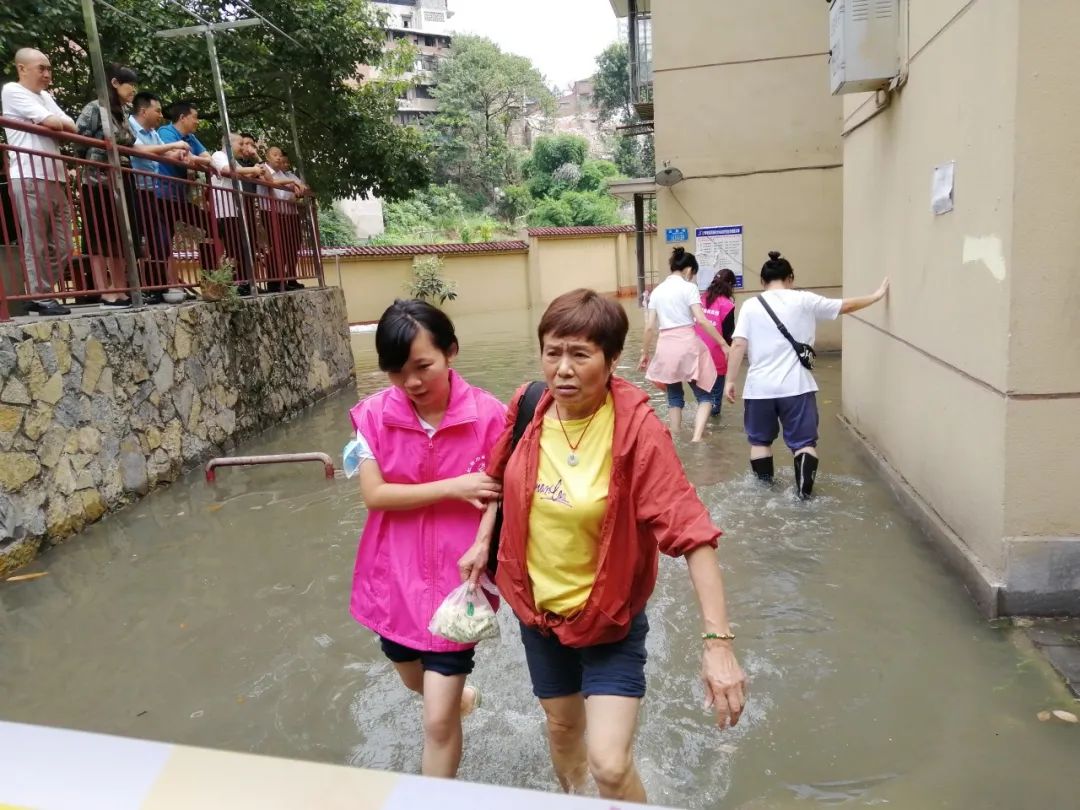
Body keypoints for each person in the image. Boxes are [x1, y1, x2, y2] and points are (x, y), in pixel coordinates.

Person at [459, 289, 747, 803]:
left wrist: (718, 645)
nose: (563, 369)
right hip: (539, 616)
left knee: (610, 765)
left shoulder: (637, 430)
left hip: (609, 619)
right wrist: (483, 541)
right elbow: (497, 482)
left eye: (580, 354)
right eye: (553, 352)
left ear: (612, 360)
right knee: (564, 734)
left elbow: (692, 532)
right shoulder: (528, 409)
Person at [347, 300, 506, 779]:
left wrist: (483, 543)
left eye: (422, 367)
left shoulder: (491, 417)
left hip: (458, 586)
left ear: (451, 351)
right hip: (393, 581)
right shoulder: (370, 417)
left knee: (436, 721)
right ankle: (464, 697)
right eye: (397, 371)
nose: (412, 382)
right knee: (414, 679)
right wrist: (455, 487)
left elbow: (504, 494)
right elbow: (375, 495)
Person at [724, 251, 890, 498]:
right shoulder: (804, 300)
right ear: (790, 278)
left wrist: (729, 381)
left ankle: (764, 496)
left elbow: (738, 345)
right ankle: (803, 494)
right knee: (804, 444)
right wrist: (876, 297)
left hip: (759, 389)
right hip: (798, 387)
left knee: (760, 442)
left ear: (762, 281)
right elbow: (846, 305)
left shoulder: (750, 306)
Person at [2, 48, 76, 316]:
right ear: (22, 69)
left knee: (65, 245)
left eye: (49, 68)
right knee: (37, 243)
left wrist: (57, 124)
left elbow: (70, 125)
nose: (47, 74)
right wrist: (55, 124)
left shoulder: (45, 96)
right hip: (29, 174)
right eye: (41, 68)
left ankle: (37, 291)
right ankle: (40, 294)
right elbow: (53, 122)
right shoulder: (12, 90)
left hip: (54, 176)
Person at [639, 247, 728, 443]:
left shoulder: (657, 291)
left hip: (665, 348)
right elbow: (702, 320)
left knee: (674, 397)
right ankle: (697, 438)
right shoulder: (689, 288)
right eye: (693, 274)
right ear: (689, 270)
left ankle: (676, 435)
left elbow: (649, 328)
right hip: (687, 346)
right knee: (705, 395)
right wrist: (723, 343)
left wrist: (644, 353)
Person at [75, 64, 142, 307]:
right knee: (98, 234)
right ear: (114, 83)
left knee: (118, 234)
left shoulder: (121, 113)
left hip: (122, 177)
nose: (133, 90)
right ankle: (104, 290)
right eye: (129, 84)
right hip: (96, 179)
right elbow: (78, 139)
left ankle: (120, 287)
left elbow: (130, 143)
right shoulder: (95, 109)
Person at [128, 91, 190, 301]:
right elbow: (140, 151)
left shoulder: (153, 132)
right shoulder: (130, 127)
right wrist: (173, 145)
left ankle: (156, 287)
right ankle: (148, 287)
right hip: (134, 188)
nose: (160, 114)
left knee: (160, 240)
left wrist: (178, 154)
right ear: (144, 111)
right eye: (157, 110)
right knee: (142, 240)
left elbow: (163, 154)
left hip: (150, 190)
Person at [156, 101, 215, 279]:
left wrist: (192, 158)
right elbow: (178, 157)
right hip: (161, 194)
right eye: (195, 117)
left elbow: (208, 159)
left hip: (179, 196)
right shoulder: (165, 132)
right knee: (163, 239)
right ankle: (164, 282)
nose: (197, 121)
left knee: (211, 224)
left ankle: (211, 277)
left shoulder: (191, 138)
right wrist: (191, 158)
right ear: (182, 117)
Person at [210, 133, 270, 287]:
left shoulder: (236, 162)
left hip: (237, 212)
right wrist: (253, 169)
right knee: (234, 248)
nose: (243, 147)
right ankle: (237, 283)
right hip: (226, 212)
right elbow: (226, 169)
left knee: (243, 248)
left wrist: (256, 167)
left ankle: (244, 283)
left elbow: (258, 174)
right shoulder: (219, 155)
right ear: (230, 144)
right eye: (241, 144)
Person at [261, 146, 307, 291]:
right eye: (275, 154)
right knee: (277, 246)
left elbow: (303, 186)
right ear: (267, 156)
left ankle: (290, 278)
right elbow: (270, 181)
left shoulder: (286, 174)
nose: (278, 157)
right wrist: (292, 184)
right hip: (270, 211)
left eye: (280, 155)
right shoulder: (263, 168)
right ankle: (275, 281)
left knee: (292, 246)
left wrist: (297, 187)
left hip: (289, 213)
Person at [696, 268, 738, 417]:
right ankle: (713, 430)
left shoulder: (700, 299)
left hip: (697, 353)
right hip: (716, 356)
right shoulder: (727, 305)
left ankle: (702, 424)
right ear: (730, 285)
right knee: (715, 404)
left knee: (702, 398)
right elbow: (729, 335)